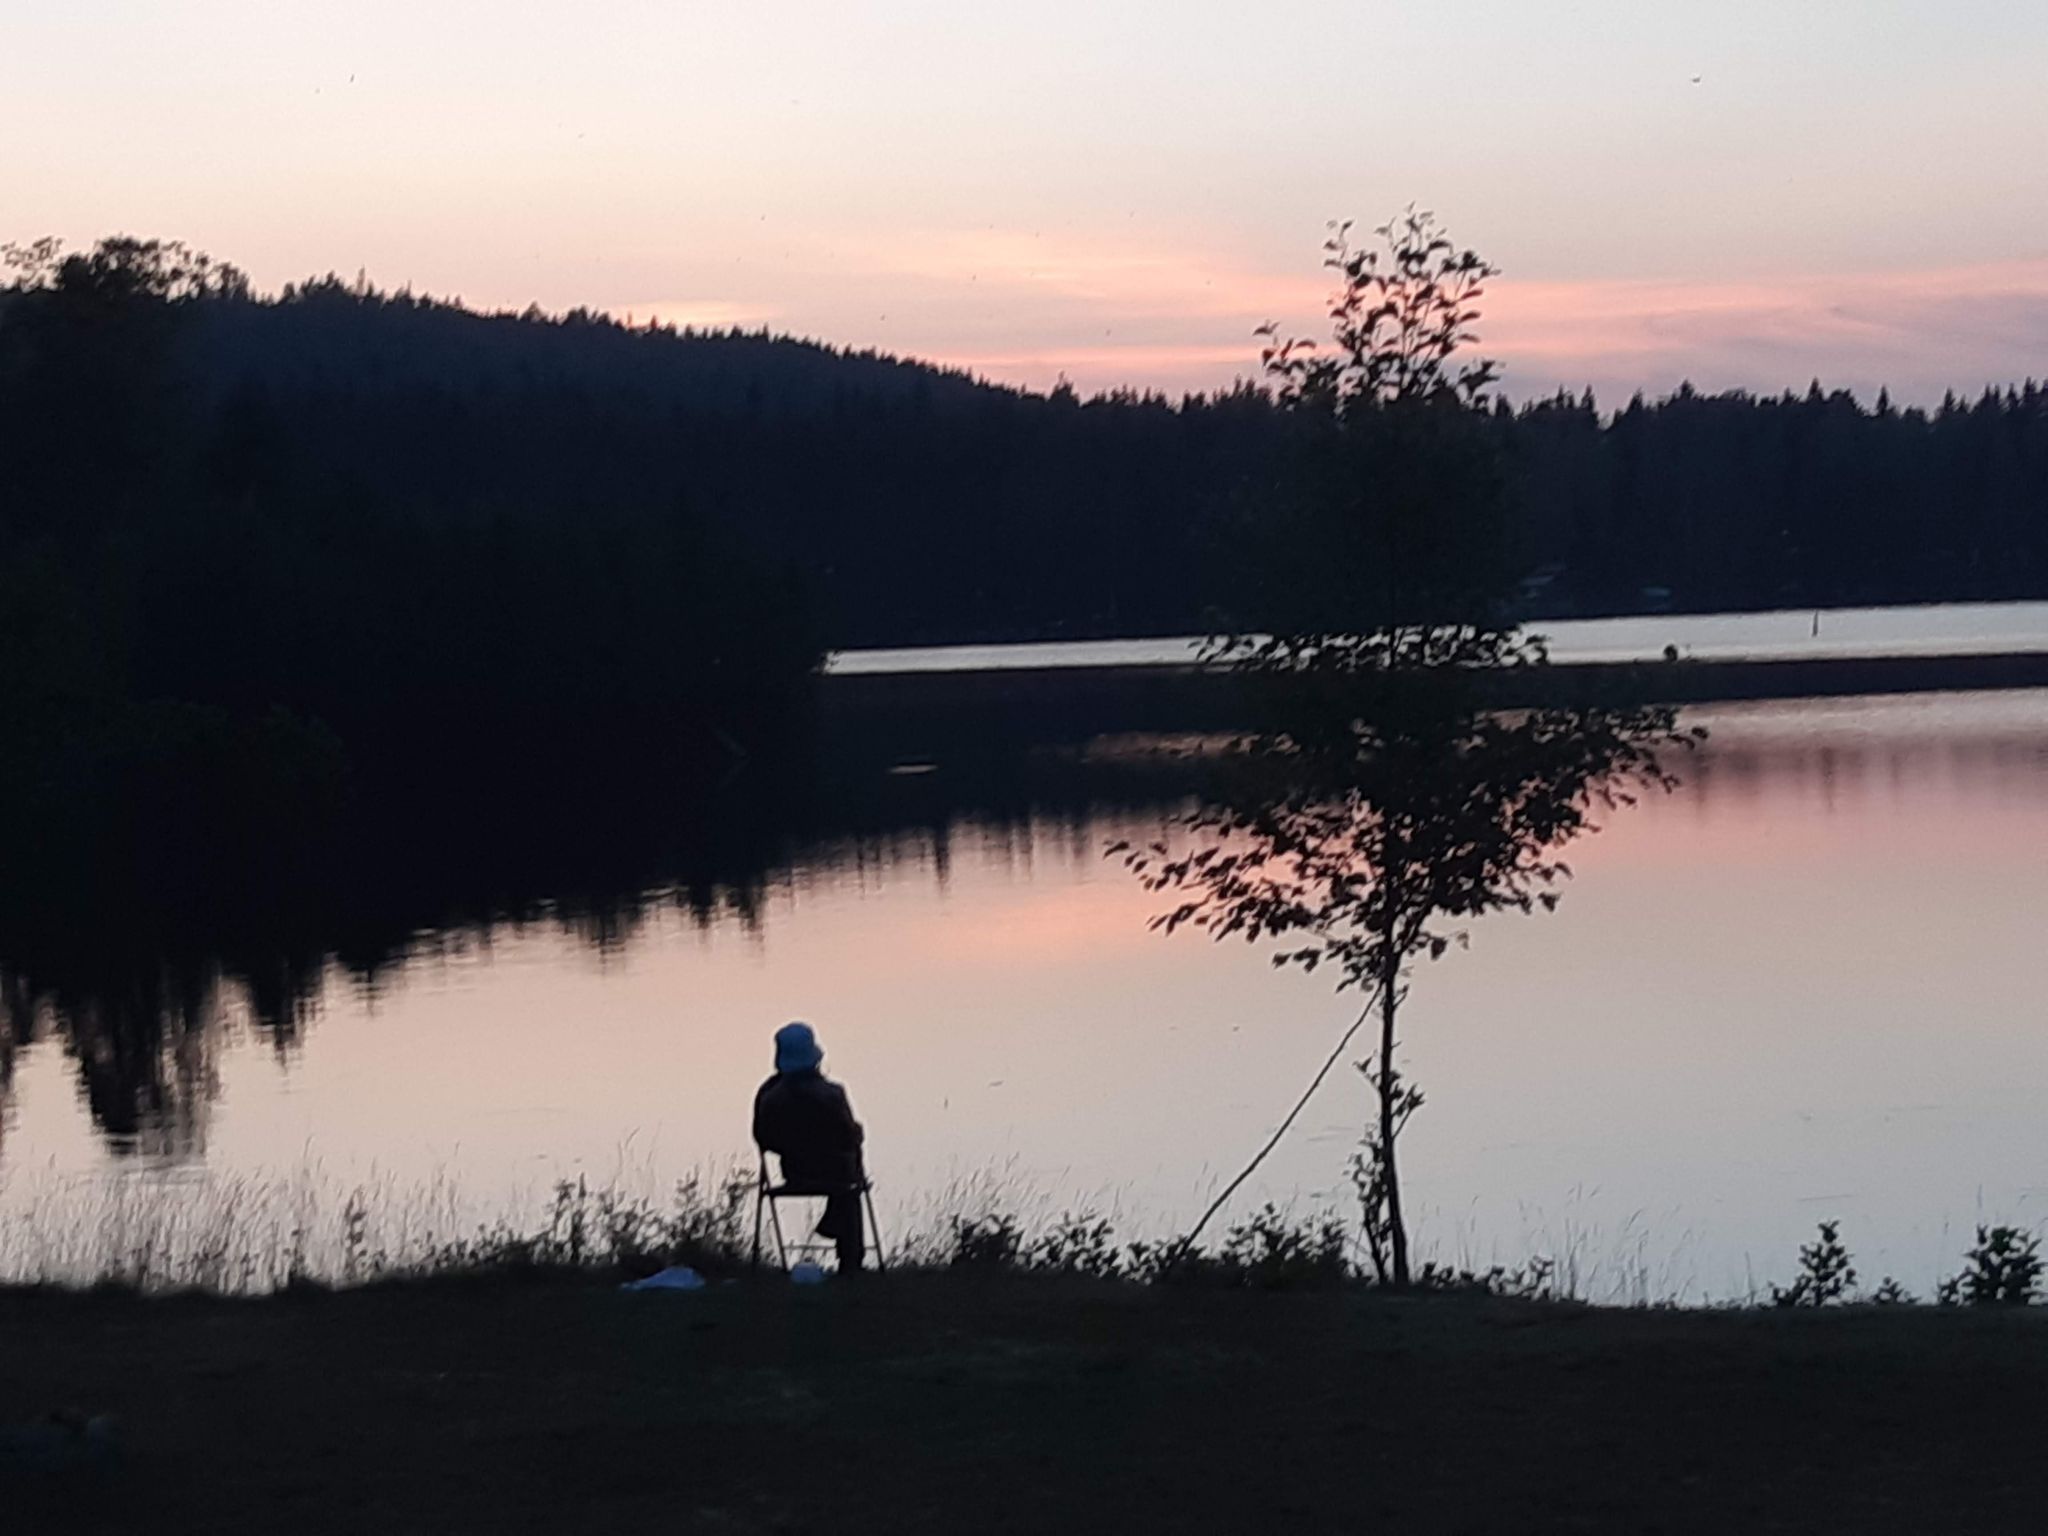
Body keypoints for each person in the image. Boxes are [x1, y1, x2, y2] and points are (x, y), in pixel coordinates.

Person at [752, 1021, 868, 1271]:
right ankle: (850, 1259)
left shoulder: (769, 1096)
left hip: (795, 1172)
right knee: (849, 1181)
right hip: (835, 1174)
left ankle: (833, 1226)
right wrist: (857, 1133)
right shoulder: (832, 1094)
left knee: (846, 1176)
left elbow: (761, 1137)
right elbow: (848, 1137)